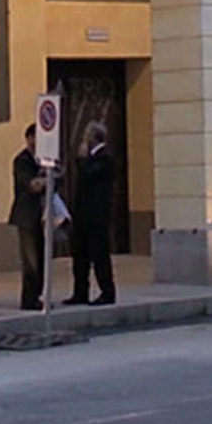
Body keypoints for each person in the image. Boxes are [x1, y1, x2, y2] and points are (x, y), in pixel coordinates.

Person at [67, 125, 119, 306]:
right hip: (83, 216)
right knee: (79, 256)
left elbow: (89, 174)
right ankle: (80, 292)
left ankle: (107, 292)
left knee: (100, 256)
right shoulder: (91, 158)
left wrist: (81, 159)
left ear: (94, 138)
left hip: (97, 217)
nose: (84, 139)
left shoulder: (105, 158)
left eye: (87, 135)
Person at [9, 123, 47, 311]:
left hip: (41, 216)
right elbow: (32, 185)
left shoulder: (43, 160)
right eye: (37, 138)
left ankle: (36, 295)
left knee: (40, 257)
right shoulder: (22, 160)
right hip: (26, 216)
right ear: (30, 139)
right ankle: (29, 299)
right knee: (31, 259)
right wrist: (44, 180)